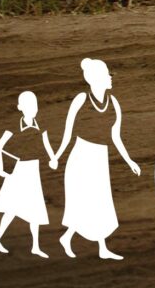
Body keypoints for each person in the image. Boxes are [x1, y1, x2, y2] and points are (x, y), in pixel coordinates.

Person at [54, 56, 138, 259]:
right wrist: (57, 155)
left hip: (100, 157)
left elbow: (115, 137)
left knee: (101, 202)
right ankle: (70, 239)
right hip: (82, 154)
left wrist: (130, 161)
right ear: (96, 78)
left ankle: (99, 247)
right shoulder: (81, 99)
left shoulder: (114, 103)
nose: (111, 77)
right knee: (83, 200)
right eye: (107, 74)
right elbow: (68, 132)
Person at [0, 89, 53, 256]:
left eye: (35, 105)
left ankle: (35, 246)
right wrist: (1, 168)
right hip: (18, 170)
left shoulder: (41, 125)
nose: (33, 108)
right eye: (28, 105)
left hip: (33, 169)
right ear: (19, 107)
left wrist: (53, 158)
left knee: (35, 209)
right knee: (11, 209)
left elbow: (46, 144)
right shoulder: (13, 125)